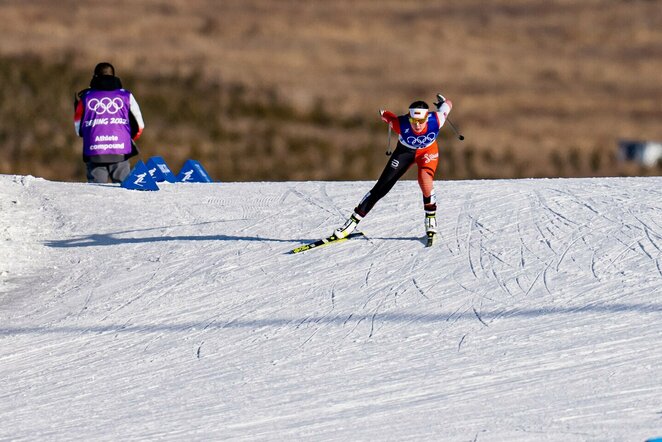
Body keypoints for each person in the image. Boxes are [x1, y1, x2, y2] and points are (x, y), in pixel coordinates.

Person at [333, 94, 453, 239]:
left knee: (425, 180)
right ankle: (351, 223)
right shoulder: (401, 124)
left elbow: (448, 105)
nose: (416, 124)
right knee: (381, 187)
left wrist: (443, 103)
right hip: (404, 152)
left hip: (427, 151)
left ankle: (430, 218)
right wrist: (383, 113)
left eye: (420, 120)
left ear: (426, 118)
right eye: (413, 120)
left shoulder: (437, 119)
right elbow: (389, 117)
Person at [74, 62, 145, 183]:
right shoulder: (126, 96)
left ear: (94, 76)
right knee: (124, 191)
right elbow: (140, 126)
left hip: (94, 152)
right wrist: (125, 139)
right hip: (120, 151)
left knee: (97, 193)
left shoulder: (85, 98)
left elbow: (78, 129)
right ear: (114, 75)